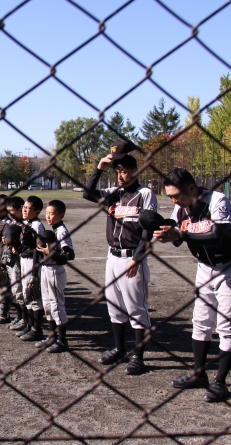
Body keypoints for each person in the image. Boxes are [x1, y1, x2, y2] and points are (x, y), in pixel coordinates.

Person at [154, 168, 231, 402]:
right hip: (204, 267)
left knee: (226, 326)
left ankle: (220, 383)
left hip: (230, 267)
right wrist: (164, 231)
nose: (174, 201)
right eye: (170, 197)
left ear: (192, 188)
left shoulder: (217, 200)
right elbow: (177, 237)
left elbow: (218, 236)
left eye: (177, 196)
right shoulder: (180, 209)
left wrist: (181, 235)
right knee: (201, 322)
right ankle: (198, 374)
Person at [82, 140, 157, 375]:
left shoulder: (145, 194)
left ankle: (138, 357)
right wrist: (99, 169)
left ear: (135, 171)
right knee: (115, 306)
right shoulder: (114, 194)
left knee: (136, 309)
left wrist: (138, 258)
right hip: (112, 257)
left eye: (124, 171)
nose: (120, 176)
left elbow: (148, 230)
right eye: (117, 172)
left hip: (131, 258)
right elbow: (87, 193)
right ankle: (119, 348)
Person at [36, 200, 75, 353]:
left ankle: (62, 341)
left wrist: (50, 253)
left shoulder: (61, 232)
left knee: (57, 306)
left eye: (51, 214)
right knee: (47, 305)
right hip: (46, 270)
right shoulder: (53, 230)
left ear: (61, 215)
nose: (48, 216)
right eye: (46, 213)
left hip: (55, 271)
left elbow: (69, 255)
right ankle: (52, 337)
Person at [14, 195, 46, 342]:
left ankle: (36, 330)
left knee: (34, 296)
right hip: (24, 260)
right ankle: (29, 325)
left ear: (37, 211)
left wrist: (34, 272)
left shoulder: (37, 225)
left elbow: (37, 251)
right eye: (24, 207)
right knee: (27, 295)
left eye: (28, 208)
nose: (25, 210)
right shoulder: (26, 223)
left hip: (33, 263)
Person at [4, 197, 26, 331]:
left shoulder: (25, 225)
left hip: (21, 261)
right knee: (15, 289)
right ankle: (19, 316)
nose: (10, 214)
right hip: (12, 261)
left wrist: (17, 246)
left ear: (20, 209)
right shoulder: (13, 223)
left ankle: (24, 319)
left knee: (20, 291)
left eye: (12, 211)